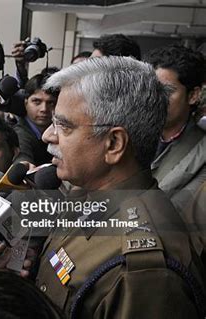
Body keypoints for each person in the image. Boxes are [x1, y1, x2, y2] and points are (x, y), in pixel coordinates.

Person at [36, 56, 205, 318]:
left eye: (64, 126)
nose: (48, 135)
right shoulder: (84, 194)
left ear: (114, 144)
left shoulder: (142, 274)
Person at [144, 44, 205, 215]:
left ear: (193, 95)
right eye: (151, 89)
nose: (155, 99)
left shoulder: (200, 153)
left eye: (167, 91)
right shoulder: (129, 135)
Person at [12, 72, 58, 166]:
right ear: (26, 103)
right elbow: (23, 157)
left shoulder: (60, 130)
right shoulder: (19, 133)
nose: (44, 109)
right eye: (37, 101)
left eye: (51, 103)